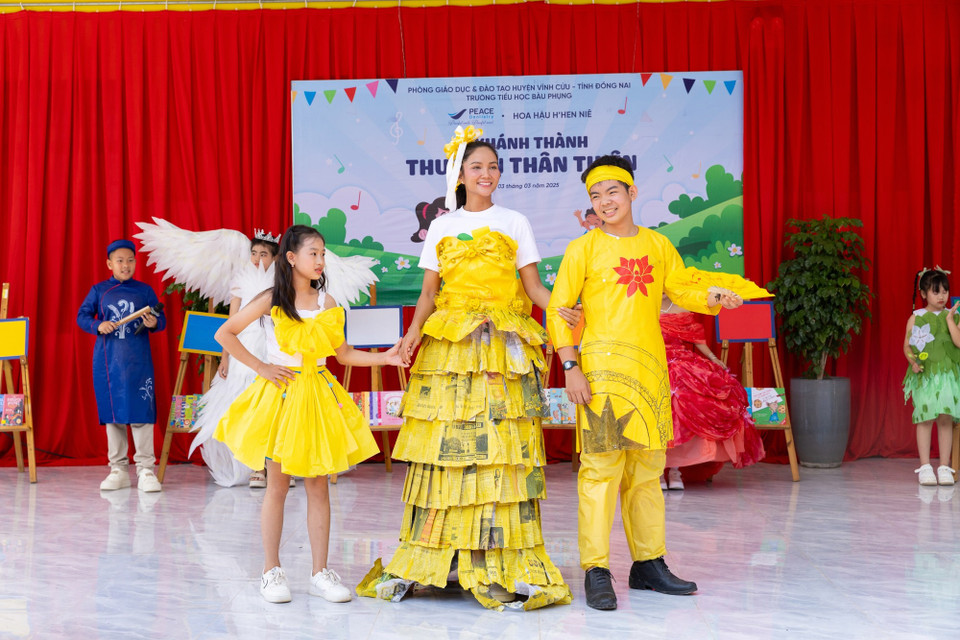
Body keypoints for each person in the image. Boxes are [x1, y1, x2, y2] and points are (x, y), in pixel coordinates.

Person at [357, 126, 576, 611]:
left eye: (493, 167)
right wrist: (413, 333)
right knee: (448, 449)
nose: (486, 174)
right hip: (450, 349)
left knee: (501, 452)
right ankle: (444, 557)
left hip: (502, 348)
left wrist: (563, 308)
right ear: (460, 175)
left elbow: (534, 288)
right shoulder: (441, 226)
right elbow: (428, 293)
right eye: (477, 166)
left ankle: (498, 558)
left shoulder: (515, 221)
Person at [546, 154, 743, 611]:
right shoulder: (583, 249)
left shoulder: (657, 244)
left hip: (650, 372)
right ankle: (596, 568)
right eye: (595, 195)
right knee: (600, 471)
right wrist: (571, 367)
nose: (604, 201)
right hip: (601, 375)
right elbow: (559, 310)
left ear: (632, 193)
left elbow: (682, 288)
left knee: (648, 472)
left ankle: (648, 563)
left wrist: (714, 296)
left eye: (612, 191)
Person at [212, 224, 405, 604]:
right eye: (312, 253)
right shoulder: (272, 299)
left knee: (318, 485)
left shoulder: (326, 303)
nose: (320, 260)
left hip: (316, 395)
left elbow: (343, 354)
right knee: (278, 484)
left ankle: (320, 571)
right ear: (291, 257)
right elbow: (225, 333)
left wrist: (385, 357)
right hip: (282, 397)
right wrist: (262, 367)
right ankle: (271, 570)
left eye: (322, 254)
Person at [188, 231, 281, 488]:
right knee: (247, 404)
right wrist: (225, 358)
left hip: (273, 345)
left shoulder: (283, 283)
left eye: (263, 254)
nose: (257, 259)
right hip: (245, 347)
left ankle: (279, 465)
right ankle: (256, 467)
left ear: (275, 258)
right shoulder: (240, 281)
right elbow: (231, 321)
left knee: (274, 406)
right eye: (254, 253)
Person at [77, 239, 166, 493]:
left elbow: (161, 319)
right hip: (108, 363)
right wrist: (98, 325)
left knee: (141, 414)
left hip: (139, 362)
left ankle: (146, 469)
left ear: (135, 263)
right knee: (113, 415)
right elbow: (82, 316)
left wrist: (153, 323)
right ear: (109, 264)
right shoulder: (99, 290)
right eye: (120, 261)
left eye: (130, 260)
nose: (125, 265)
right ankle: (118, 470)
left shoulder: (145, 290)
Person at [660, 295, 765, 490]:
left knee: (687, 399)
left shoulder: (682, 307)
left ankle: (675, 469)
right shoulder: (643, 306)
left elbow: (696, 338)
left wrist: (713, 357)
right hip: (652, 361)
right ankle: (657, 472)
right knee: (660, 406)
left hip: (680, 361)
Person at [903, 267, 958, 487]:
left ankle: (944, 467)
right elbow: (907, 346)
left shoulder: (952, 315)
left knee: (945, 419)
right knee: (925, 419)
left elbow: (958, 342)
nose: (942, 296)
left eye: (945, 291)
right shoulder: (916, 317)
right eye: (936, 292)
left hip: (947, 376)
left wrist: (951, 320)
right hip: (926, 376)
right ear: (924, 293)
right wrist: (913, 362)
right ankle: (925, 467)